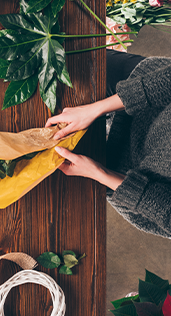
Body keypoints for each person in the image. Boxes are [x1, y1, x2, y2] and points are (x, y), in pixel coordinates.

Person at [45, 50, 171, 238]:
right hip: (144, 91)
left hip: (129, 175)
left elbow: (166, 211)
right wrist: (92, 110)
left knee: (50, 188)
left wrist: (98, 172)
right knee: (53, 62)